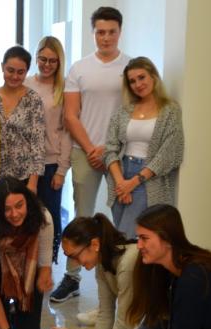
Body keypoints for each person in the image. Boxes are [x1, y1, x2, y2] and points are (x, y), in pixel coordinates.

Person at [50, 6, 131, 304]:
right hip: (85, 151)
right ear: (93, 33)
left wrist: (108, 150)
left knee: (121, 215)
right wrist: (90, 149)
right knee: (82, 216)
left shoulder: (130, 67)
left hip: (120, 154)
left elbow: (134, 112)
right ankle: (72, 278)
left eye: (111, 32)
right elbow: (71, 115)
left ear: (119, 32)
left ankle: (123, 276)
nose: (105, 37)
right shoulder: (79, 68)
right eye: (100, 32)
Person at [104, 56, 184, 239]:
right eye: (132, 81)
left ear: (153, 76)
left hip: (147, 178)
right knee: (123, 235)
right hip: (120, 175)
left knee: (127, 236)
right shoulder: (123, 111)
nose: (138, 84)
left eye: (142, 77)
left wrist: (133, 183)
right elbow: (110, 148)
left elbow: (169, 153)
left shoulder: (170, 110)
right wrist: (121, 183)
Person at [54, 214, 138, 329]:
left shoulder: (127, 263)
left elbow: (124, 325)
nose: (75, 263)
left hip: (168, 320)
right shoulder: (101, 264)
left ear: (94, 244)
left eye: (75, 256)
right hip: (152, 322)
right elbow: (105, 313)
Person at [0, 177, 53, 329]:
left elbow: (45, 263)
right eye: (7, 209)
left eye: (19, 205)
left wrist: (44, 277)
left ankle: (16, 312)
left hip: (28, 264)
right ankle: (0, 316)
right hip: (0, 266)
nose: (15, 214)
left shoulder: (43, 217)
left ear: (27, 201)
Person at [23, 36, 71, 264]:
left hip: (51, 163)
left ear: (59, 62)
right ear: (36, 57)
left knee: (49, 216)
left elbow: (67, 131)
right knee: (25, 215)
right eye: (43, 59)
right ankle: (27, 261)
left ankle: (47, 264)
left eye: (53, 61)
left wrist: (62, 170)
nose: (47, 65)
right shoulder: (25, 84)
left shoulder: (64, 88)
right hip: (24, 162)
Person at [0, 46, 45, 193]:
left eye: (20, 72)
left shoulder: (33, 100)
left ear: (27, 72)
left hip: (23, 177)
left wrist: (33, 183)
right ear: (2, 67)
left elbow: (37, 143)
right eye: (10, 70)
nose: (14, 76)